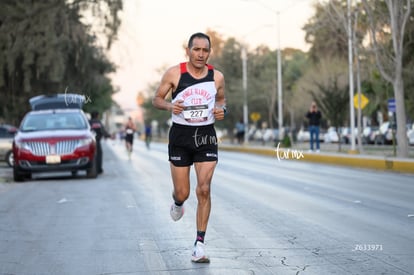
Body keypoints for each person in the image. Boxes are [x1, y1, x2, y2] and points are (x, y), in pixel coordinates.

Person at [152, 32, 226, 263]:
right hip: (181, 138)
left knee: (204, 189)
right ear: (188, 50)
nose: (201, 54)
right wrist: (169, 105)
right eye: (197, 50)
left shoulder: (217, 77)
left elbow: (222, 101)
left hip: (205, 137)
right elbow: (156, 99)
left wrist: (223, 110)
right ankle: (177, 203)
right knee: (183, 192)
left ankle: (199, 245)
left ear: (209, 52)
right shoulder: (175, 73)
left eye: (205, 50)